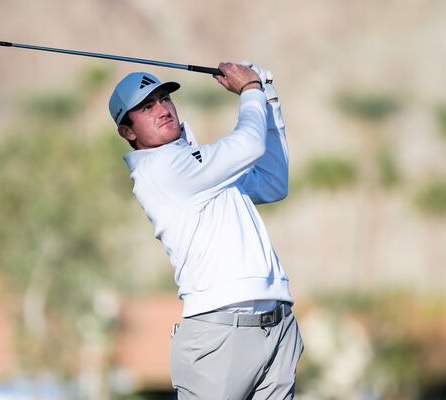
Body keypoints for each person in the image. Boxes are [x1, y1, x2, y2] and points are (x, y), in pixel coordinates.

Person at [109, 62, 303, 399]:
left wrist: (268, 98)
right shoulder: (162, 169)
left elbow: (273, 182)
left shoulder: (201, 164)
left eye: (163, 98)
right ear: (128, 132)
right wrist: (250, 89)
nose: (162, 109)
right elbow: (249, 146)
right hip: (218, 337)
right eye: (146, 107)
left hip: (277, 327)